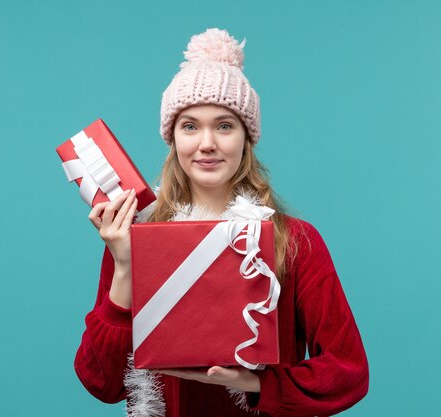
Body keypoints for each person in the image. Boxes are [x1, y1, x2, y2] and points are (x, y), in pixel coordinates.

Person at [74, 28, 369, 417]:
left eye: (225, 125)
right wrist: (126, 266)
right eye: (190, 126)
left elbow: (349, 372)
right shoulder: (133, 239)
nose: (207, 143)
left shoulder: (294, 241)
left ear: (246, 138)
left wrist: (255, 384)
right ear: (173, 139)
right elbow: (104, 383)